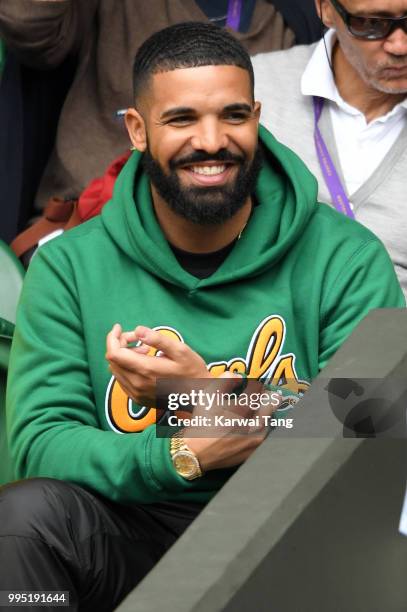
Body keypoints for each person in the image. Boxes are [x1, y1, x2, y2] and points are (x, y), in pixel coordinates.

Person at [1, 22, 404, 611]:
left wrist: (198, 395)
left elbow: (373, 425)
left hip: (290, 530)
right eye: (182, 119)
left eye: (233, 116)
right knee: (23, 520)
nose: (212, 141)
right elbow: (43, 443)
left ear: (257, 117)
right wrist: (179, 457)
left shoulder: (343, 256)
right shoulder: (70, 266)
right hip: (137, 526)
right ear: (137, 130)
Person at [0, 0, 319, 225]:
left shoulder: (296, 16)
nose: (208, 140)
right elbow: (27, 22)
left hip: (232, 233)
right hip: (87, 217)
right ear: (135, 127)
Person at [251, 0, 407, 298]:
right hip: (270, 334)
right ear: (325, 9)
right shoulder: (253, 88)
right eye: (371, 24)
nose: (399, 45)